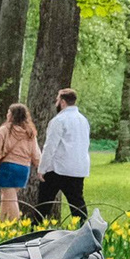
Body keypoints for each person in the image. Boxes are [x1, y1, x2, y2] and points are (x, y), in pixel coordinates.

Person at [39, 88, 90, 217]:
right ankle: (83, 228)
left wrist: (42, 168)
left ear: (62, 102)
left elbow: (50, 146)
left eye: (57, 100)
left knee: (44, 202)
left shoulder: (59, 121)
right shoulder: (83, 120)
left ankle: (37, 227)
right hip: (78, 167)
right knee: (77, 203)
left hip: (59, 168)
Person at [0, 102, 38, 221]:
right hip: (24, 168)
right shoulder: (30, 133)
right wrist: (39, 167)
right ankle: (2, 222)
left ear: (12, 115)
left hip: (8, 167)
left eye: (9, 112)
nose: (7, 114)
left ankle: (16, 225)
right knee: (6, 197)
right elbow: (36, 153)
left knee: (11, 198)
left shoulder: (4, 130)